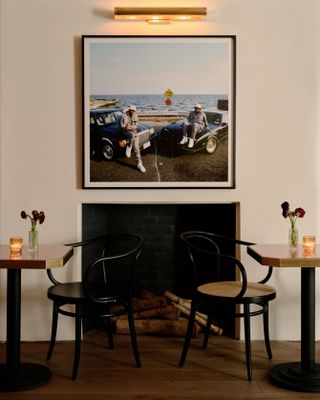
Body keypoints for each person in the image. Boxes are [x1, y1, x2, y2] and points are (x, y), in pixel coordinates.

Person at [120, 105, 146, 173]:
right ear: (129, 110)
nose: (133, 112)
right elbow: (122, 126)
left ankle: (139, 164)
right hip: (126, 131)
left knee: (137, 148)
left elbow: (137, 125)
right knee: (132, 135)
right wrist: (128, 127)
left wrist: (131, 127)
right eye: (131, 110)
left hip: (133, 131)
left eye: (134, 111)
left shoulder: (135, 115)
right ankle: (129, 145)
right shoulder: (124, 115)